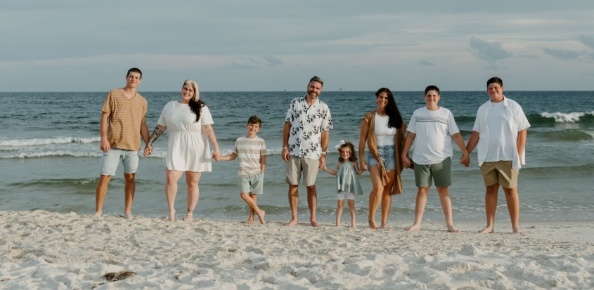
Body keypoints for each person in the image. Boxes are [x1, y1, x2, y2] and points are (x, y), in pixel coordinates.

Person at [144, 80, 221, 222]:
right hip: (176, 145)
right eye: (185, 89)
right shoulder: (170, 106)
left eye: (190, 90)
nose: (187, 92)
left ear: (194, 93)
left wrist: (216, 148)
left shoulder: (201, 107)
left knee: (192, 183)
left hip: (196, 146)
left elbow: (208, 129)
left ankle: (189, 214)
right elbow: (160, 127)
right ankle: (171, 211)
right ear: (181, 89)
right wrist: (149, 143)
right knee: (170, 177)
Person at [401, 85, 470, 233]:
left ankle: (450, 224)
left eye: (434, 96)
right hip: (421, 158)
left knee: (443, 190)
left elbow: (456, 135)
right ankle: (417, 224)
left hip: (442, 158)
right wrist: (404, 154)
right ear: (424, 97)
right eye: (428, 96)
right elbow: (411, 135)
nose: (431, 98)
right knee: (422, 190)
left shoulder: (446, 113)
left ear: (438, 97)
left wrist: (465, 152)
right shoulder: (418, 113)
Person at [466, 77, 530, 234]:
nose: (493, 90)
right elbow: (476, 133)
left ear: (502, 88)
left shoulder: (513, 106)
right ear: (487, 91)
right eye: (490, 88)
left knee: (510, 190)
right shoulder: (483, 109)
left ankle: (515, 226)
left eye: (495, 87)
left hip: (508, 155)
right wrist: (466, 152)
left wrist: (519, 153)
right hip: (487, 156)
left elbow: (522, 130)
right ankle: (490, 226)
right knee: (490, 190)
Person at [94, 67, 150, 220]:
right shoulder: (114, 94)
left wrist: (148, 143)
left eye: (137, 78)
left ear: (140, 81)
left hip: (133, 146)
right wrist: (103, 138)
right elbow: (104, 117)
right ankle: (98, 212)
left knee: (130, 178)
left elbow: (143, 125)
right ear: (126, 78)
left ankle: (127, 211)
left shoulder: (142, 101)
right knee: (105, 176)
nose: (133, 79)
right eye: (131, 76)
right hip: (112, 144)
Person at [282, 76, 333, 227]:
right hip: (293, 150)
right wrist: (284, 147)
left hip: (313, 153)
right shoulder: (295, 103)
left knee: (311, 185)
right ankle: (294, 218)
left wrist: (323, 154)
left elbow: (325, 133)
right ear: (307, 86)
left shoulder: (323, 108)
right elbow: (287, 126)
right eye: (312, 87)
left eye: (317, 88)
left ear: (321, 90)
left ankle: (313, 218)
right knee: (293, 184)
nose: (314, 90)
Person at [358, 88, 408, 229]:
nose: (383, 100)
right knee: (378, 187)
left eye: (386, 98)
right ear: (376, 98)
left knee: (387, 189)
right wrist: (361, 159)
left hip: (392, 154)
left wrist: (405, 156)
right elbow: (362, 140)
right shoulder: (369, 117)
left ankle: (384, 222)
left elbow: (403, 139)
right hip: (375, 154)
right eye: (381, 97)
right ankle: (371, 218)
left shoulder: (395, 118)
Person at [217, 115, 267, 225]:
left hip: (257, 172)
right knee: (244, 195)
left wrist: (262, 172)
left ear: (259, 129)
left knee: (253, 197)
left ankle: (251, 218)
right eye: (251, 125)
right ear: (247, 125)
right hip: (243, 173)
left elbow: (263, 158)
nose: (253, 128)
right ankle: (260, 212)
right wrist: (220, 158)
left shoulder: (261, 141)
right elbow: (233, 156)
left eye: (256, 126)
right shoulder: (239, 140)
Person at [322, 141, 364, 228]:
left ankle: (353, 224)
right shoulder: (339, 162)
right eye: (343, 152)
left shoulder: (354, 162)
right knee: (340, 204)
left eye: (347, 152)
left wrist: (364, 168)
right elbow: (334, 172)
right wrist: (325, 169)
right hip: (341, 187)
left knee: (351, 205)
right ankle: (337, 224)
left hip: (351, 187)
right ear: (340, 153)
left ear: (351, 153)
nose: (345, 154)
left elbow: (358, 172)